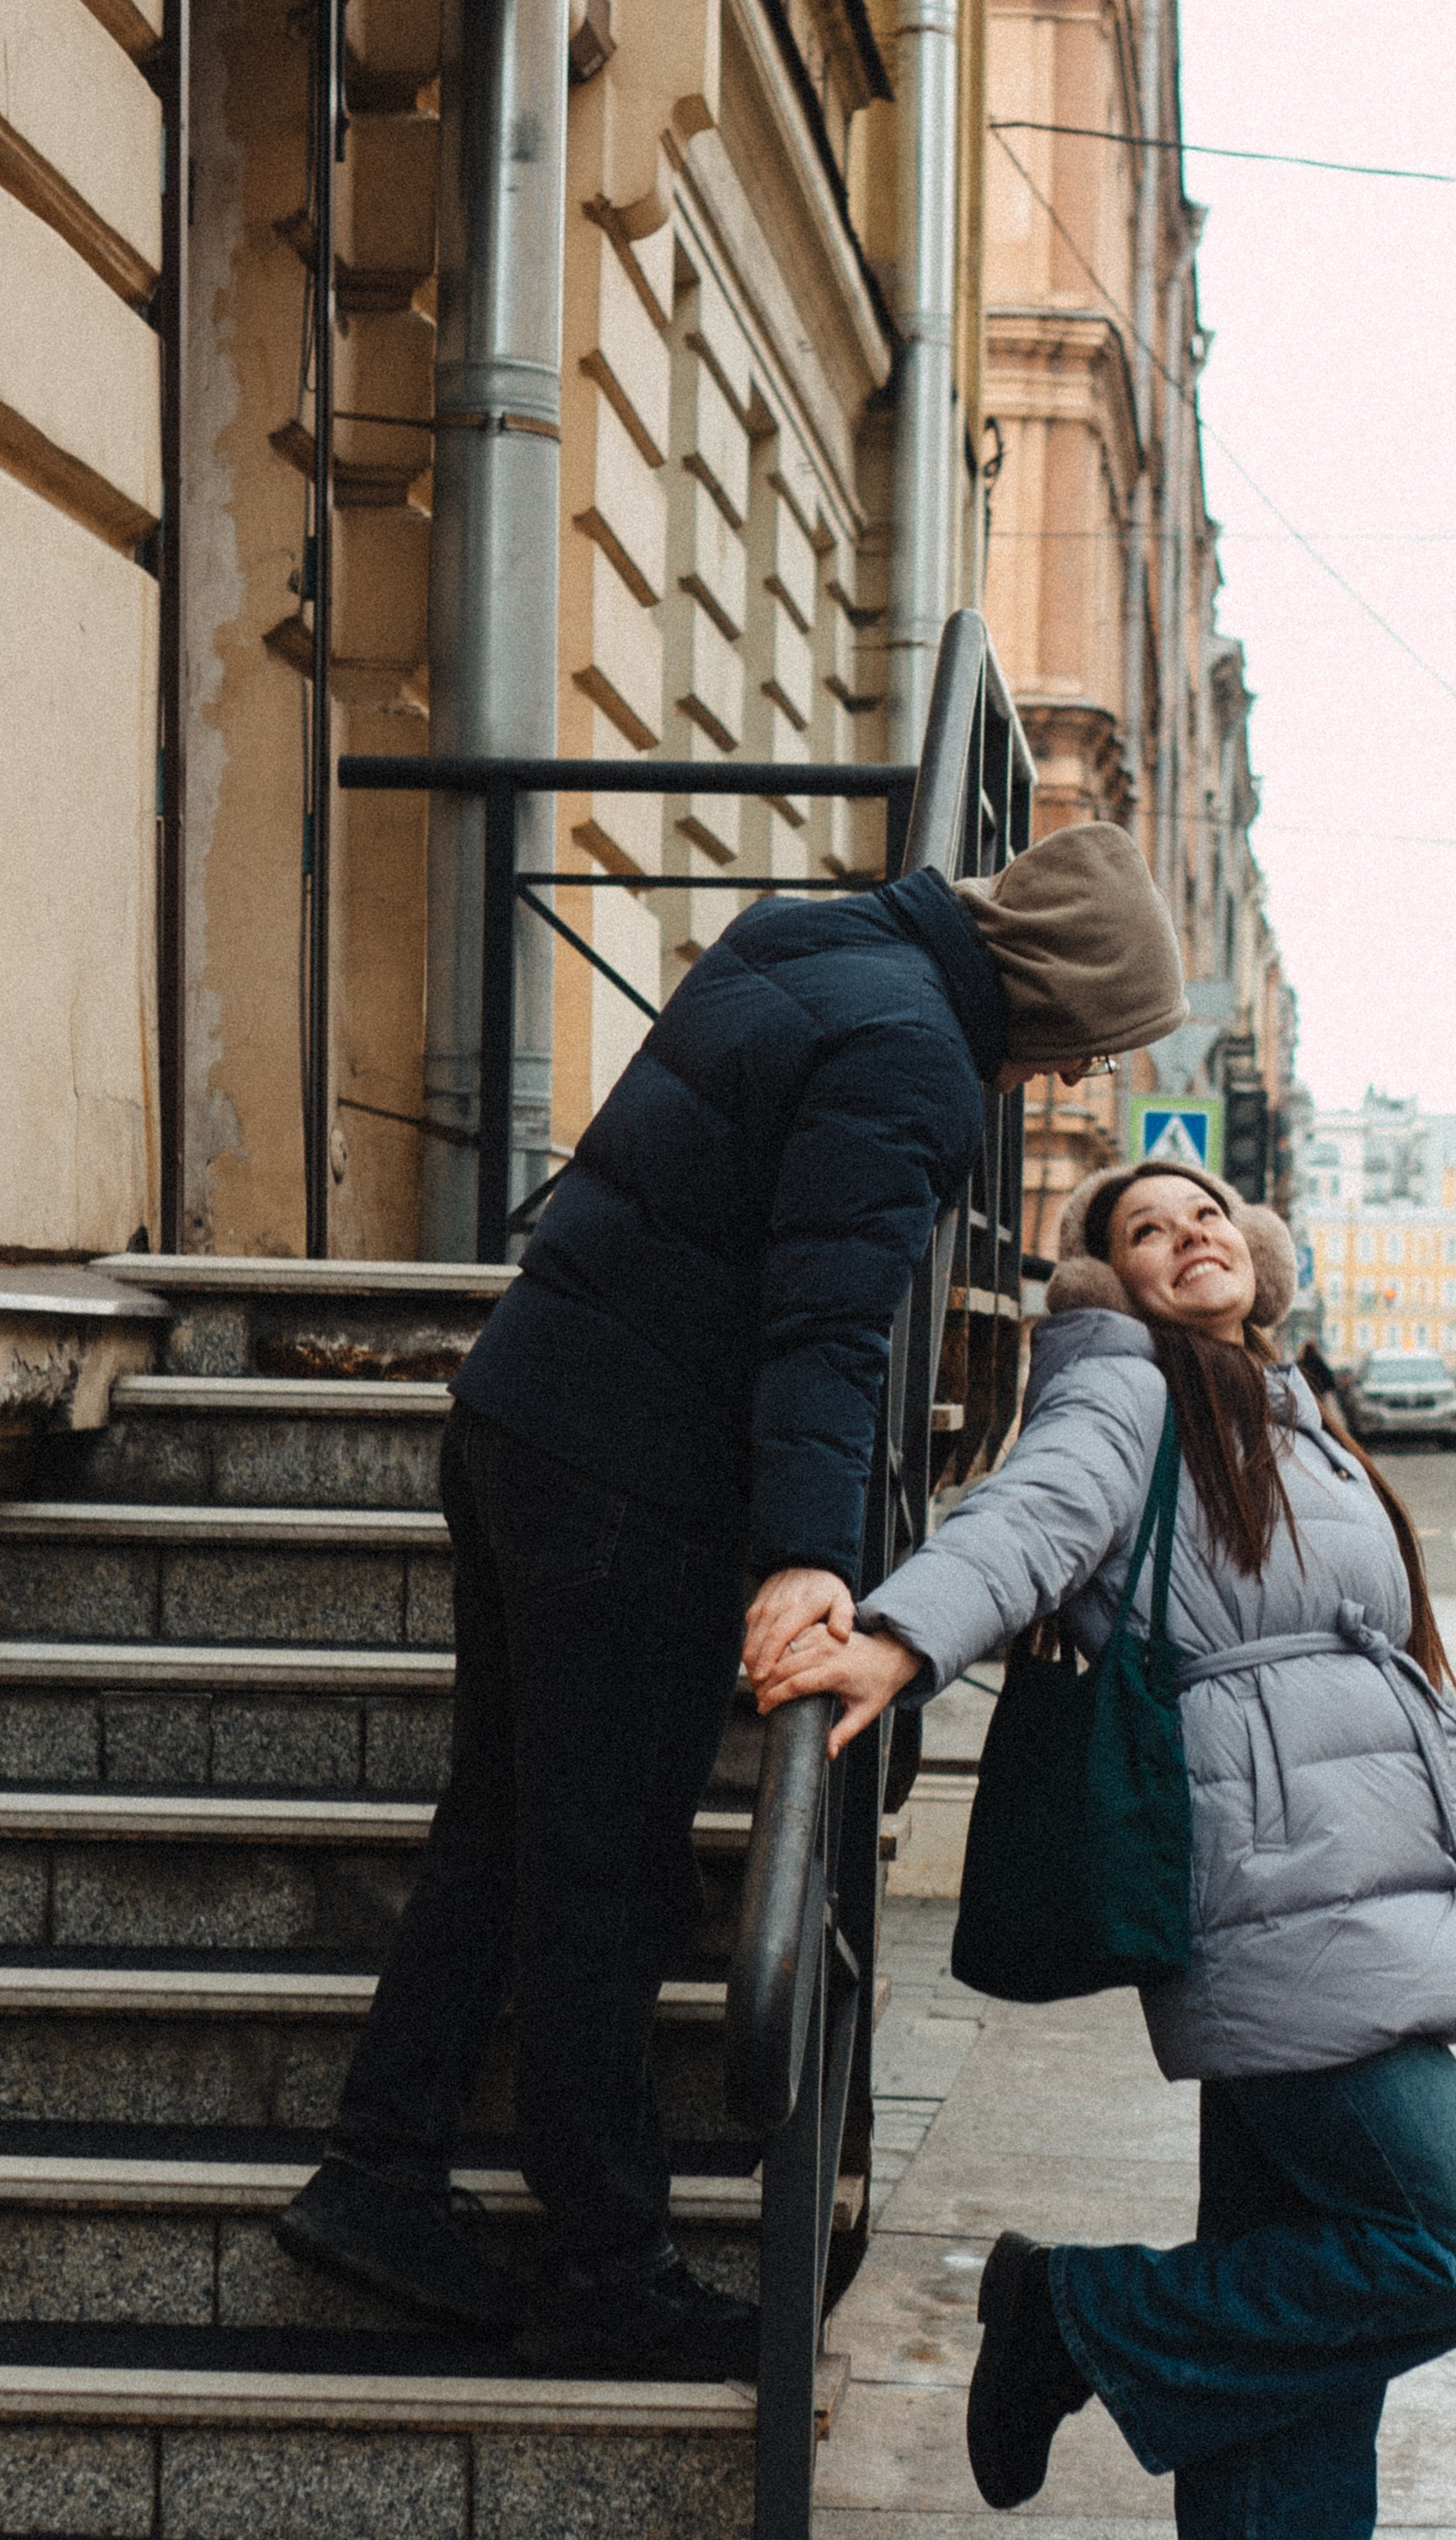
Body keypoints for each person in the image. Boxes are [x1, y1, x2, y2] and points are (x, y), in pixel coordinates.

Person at [756, 1160, 1456, 2540]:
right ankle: (1074, 2313)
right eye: (1143, 1231)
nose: (1188, 1238)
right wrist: (895, 1637)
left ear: (1260, 1250)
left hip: (1370, 1901)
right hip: (1275, 1909)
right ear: (1109, 1282)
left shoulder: (1293, 1407)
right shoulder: (1122, 1389)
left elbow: (1413, 1690)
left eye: (1209, 1214)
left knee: (1308, 2344)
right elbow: (1029, 1526)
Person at [278, 826, 1186, 2377]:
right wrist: (809, 1557)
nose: (1064, 1081)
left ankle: (377, 2171)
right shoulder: (910, 1058)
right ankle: (602, 2268)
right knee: (605, 1879)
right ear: (1051, 995)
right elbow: (824, 1329)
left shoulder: (804, 940)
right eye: (1086, 1047)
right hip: (627, 1481)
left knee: (498, 1831)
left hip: (521, 1418)